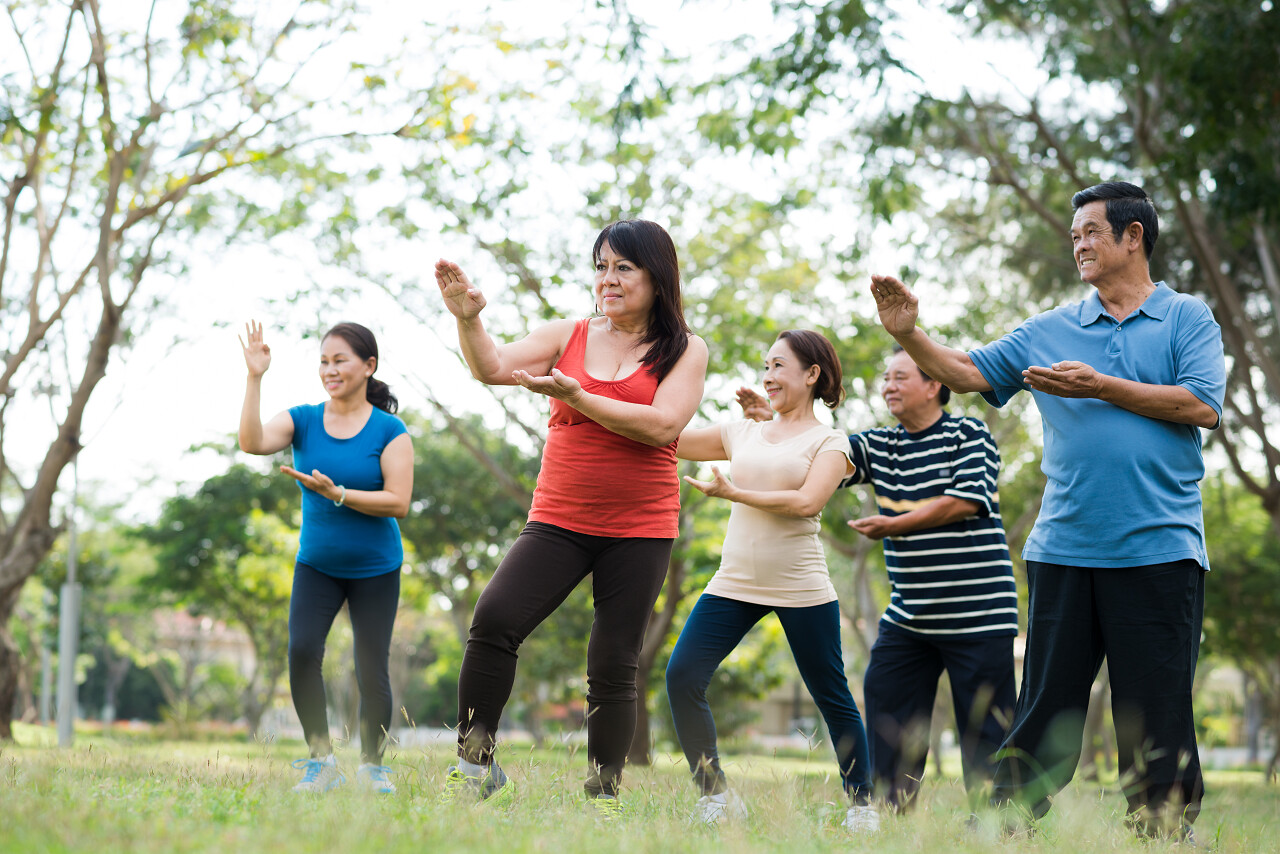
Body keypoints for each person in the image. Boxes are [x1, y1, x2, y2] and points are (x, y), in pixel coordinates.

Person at [869, 181, 1225, 839]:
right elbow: (969, 370)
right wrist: (911, 335)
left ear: (1133, 236)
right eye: (1074, 235)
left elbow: (1201, 405)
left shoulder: (1185, 318)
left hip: (1161, 546)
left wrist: (1102, 386)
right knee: (1047, 700)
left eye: (1091, 231)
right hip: (1064, 546)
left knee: (1156, 701)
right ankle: (1006, 817)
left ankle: (1162, 825)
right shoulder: (1052, 328)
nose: (1079, 244)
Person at [434, 219, 708, 814]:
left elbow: (664, 425)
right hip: (559, 517)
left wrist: (579, 397)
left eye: (623, 268)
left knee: (613, 660)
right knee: (495, 619)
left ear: (657, 277)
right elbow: (492, 368)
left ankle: (603, 794)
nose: (608, 279)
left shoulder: (684, 348)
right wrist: (468, 319)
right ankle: (473, 766)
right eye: (601, 266)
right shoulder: (569, 333)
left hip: (641, 527)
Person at [738, 346, 1017, 812]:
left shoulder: (968, 433)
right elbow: (817, 456)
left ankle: (996, 819)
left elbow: (964, 500)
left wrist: (893, 525)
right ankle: (890, 809)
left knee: (985, 726)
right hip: (910, 616)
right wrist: (774, 422)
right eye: (885, 377)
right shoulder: (878, 445)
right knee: (887, 705)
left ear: (934, 386)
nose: (888, 385)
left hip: (979, 614)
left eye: (899, 377)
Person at [665, 329, 879, 833]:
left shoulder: (830, 442)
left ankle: (862, 805)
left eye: (780, 366)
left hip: (800, 585)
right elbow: (666, 437)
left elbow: (808, 502)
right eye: (766, 366)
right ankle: (715, 795)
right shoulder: (742, 431)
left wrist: (734, 492)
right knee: (682, 676)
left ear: (812, 375)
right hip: (733, 581)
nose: (767, 376)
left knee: (832, 697)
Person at [238, 320, 414, 795]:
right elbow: (252, 442)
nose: (329, 370)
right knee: (300, 654)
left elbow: (399, 501)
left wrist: (339, 493)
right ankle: (322, 761)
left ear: (368, 366)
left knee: (370, 665)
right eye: (323, 361)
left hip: (376, 567)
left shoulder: (390, 430)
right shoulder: (303, 419)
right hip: (317, 564)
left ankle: (373, 768)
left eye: (340, 361)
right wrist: (255, 377)